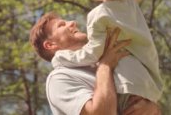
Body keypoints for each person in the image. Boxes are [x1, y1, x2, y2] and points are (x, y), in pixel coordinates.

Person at [51, 0, 164, 112]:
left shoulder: (99, 16)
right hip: (146, 85)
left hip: (126, 86)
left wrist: (62, 57)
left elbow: (93, 53)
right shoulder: (132, 7)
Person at [29, 12, 161, 114]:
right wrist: (105, 65)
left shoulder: (105, 61)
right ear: (50, 45)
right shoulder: (58, 78)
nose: (73, 23)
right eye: (61, 25)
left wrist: (151, 107)